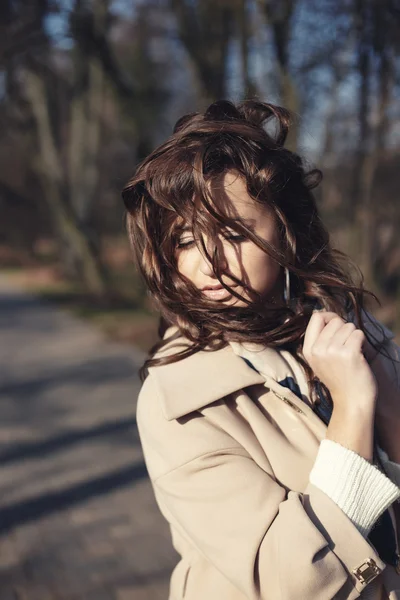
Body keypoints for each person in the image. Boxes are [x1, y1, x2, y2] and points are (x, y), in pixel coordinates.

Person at [121, 99, 400, 599]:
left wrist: (390, 406)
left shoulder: (358, 333)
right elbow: (292, 582)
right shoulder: (179, 401)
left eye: (232, 233)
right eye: (185, 239)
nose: (209, 265)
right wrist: (355, 408)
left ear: (287, 228)